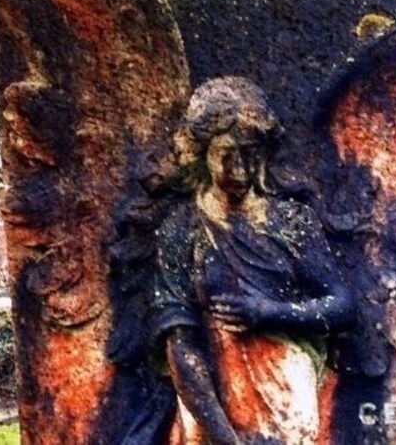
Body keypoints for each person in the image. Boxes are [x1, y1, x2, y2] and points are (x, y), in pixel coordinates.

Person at [151, 77, 355, 444]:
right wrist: (221, 435)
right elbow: (179, 341)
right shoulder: (182, 228)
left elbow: (342, 306)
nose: (240, 168)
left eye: (250, 154)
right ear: (202, 153)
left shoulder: (291, 222)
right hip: (211, 395)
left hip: (285, 390)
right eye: (227, 155)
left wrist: (268, 312)